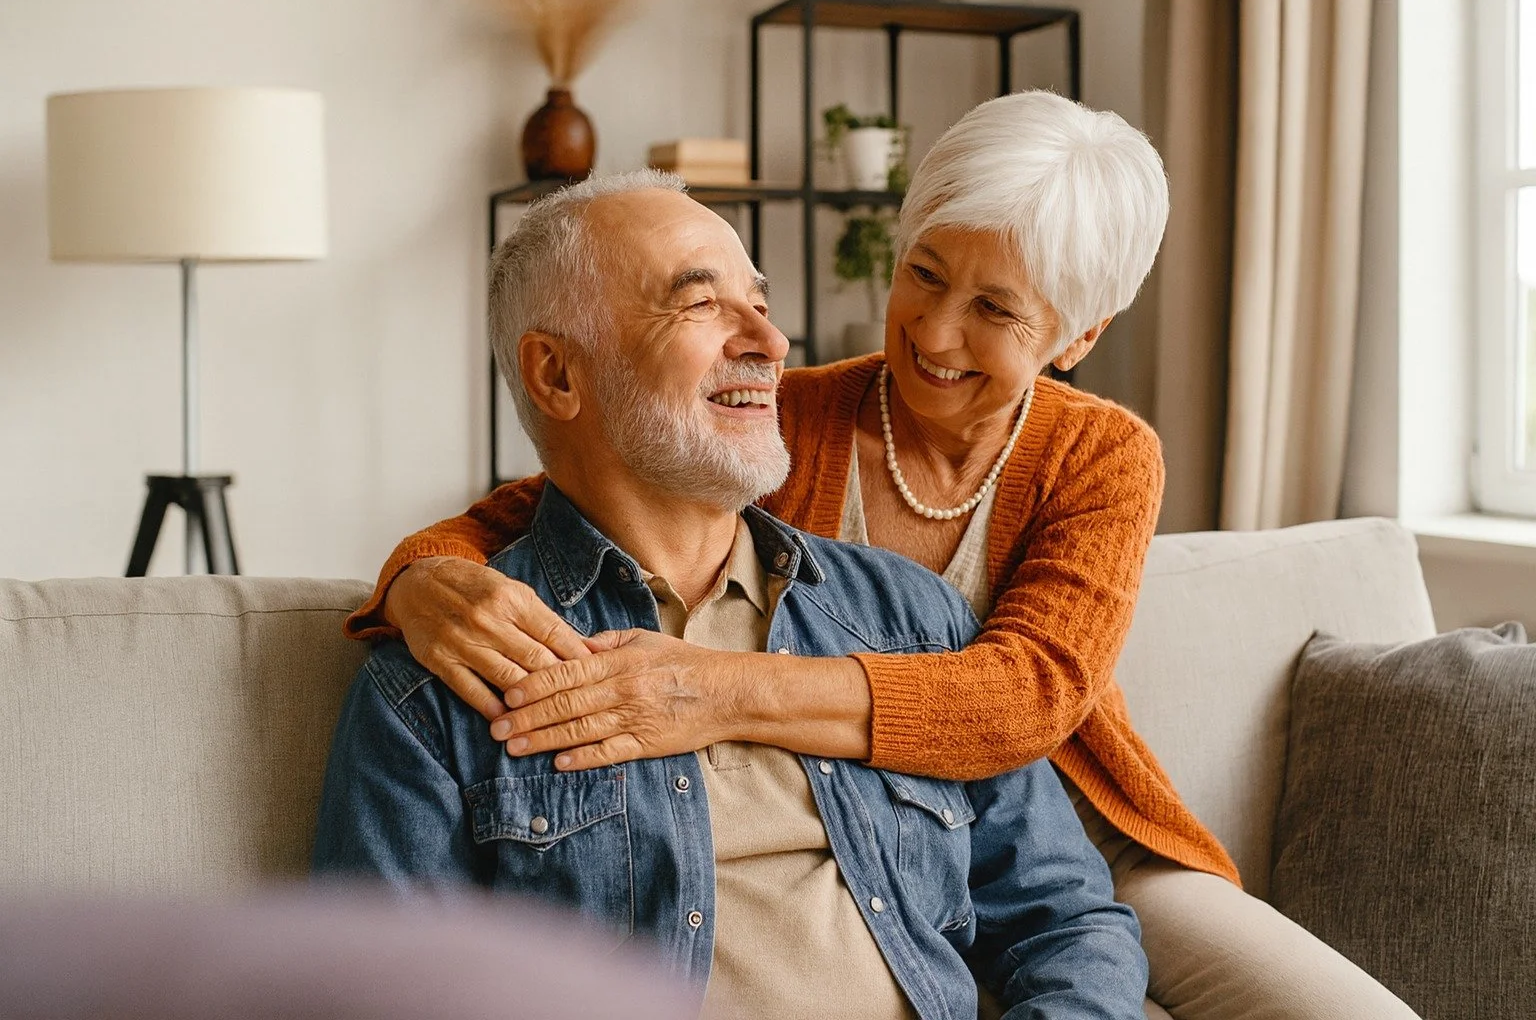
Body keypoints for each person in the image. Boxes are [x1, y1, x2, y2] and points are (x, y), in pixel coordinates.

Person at [347, 93, 1419, 1019]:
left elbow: (1022, 708)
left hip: (1078, 822)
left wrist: (712, 690)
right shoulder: (784, 414)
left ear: (1074, 336)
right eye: (925, 273)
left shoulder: (1090, 463)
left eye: (996, 309)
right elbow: (565, 485)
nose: (935, 332)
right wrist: (418, 579)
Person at [313, 170, 1149, 1020]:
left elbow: (1068, 922)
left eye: (761, 299)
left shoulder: (914, 616)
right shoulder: (441, 683)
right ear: (558, 375)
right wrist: (418, 579)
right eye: (700, 302)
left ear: (1077, 335)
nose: (773, 341)